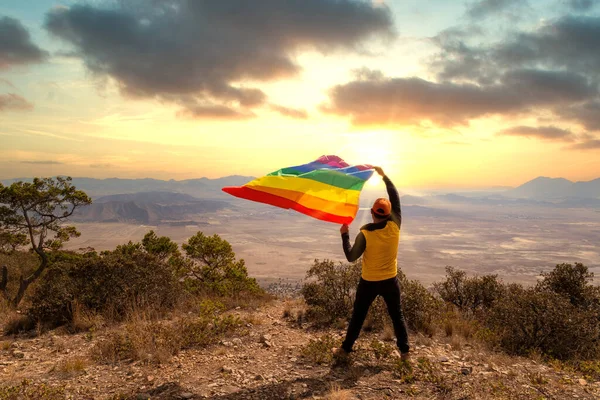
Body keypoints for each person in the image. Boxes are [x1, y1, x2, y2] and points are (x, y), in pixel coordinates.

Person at [334, 166, 410, 361]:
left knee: (358, 316)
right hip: (390, 280)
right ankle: (405, 352)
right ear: (389, 214)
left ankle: (346, 349)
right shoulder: (395, 226)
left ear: (373, 214)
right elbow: (395, 197)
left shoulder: (366, 234)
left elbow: (351, 257)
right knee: (397, 315)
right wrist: (384, 177)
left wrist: (345, 236)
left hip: (369, 281)